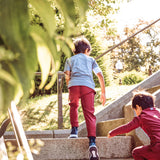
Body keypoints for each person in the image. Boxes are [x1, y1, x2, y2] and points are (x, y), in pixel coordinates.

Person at [64, 37, 106, 160]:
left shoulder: (69, 60)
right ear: (87, 50)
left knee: (73, 107)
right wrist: (103, 92)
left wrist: (69, 86)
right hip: (88, 86)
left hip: (74, 86)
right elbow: (100, 75)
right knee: (89, 113)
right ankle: (92, 142)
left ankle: (74, 132)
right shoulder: (91, 60)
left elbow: (67, 76)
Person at [108, 90, 160, 160]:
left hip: (158, 149)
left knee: (136, 152)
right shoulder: (158, 112)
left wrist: (112, 133)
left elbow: (127, 127)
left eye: (135, 110)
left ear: (138, 107)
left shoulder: (142, 117)